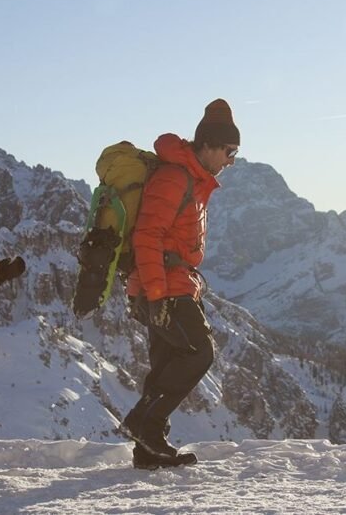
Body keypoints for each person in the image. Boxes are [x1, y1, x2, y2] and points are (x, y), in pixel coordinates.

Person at [120, 98, 240, 469]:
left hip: (173, 284)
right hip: (164, 286)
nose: (231, 161)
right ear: (209, 145)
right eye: (230, 151)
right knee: (198, 351)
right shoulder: (174, 177)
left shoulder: (193, 180)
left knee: (167, 361)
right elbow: (147, 236)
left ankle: (148, 450)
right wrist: (156, 295)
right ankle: (143, 423)